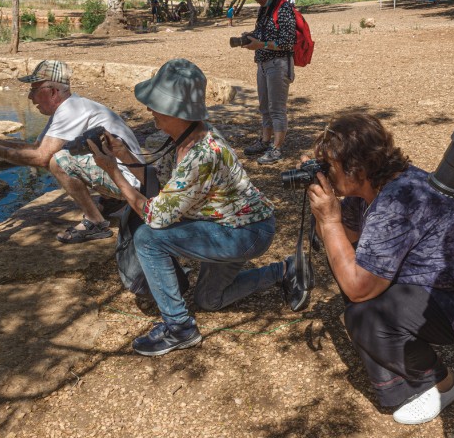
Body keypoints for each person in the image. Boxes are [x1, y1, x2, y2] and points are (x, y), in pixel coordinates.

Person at [87, 59, 311, 356]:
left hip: (244, 233)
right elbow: (160, 180)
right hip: (228, 227)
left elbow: (155, 216)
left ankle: (179, 327)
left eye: (155, 103)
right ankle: (285, 270)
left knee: (148, 239)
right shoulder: (183, 137)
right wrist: (123, 154)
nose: (150, 109)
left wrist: (113, 171)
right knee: (209, 300)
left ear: (175, 111)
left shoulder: (203, 154)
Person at [305, 113, 454, 425]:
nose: (326, 175)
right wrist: (327, 211)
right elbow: (343, 243)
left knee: (365, 314)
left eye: (329, 167)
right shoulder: (375, 184)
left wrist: (329, 218)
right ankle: (395, 361)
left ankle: (443, 384)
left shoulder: (398, 200)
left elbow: (358, 287)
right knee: (351, 271)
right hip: (445, 286)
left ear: (356, 169)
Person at [0, 60, 143, 243]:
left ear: (52, 91)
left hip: (130, 181)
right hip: (132, 176)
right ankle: (112, 199)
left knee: (57, 160)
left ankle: (94, 222)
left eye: (34, 90)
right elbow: (37, 147)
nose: (30, 97)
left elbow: (42, 158)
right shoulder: (69, 108)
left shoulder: (70, 110)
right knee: (59, 155)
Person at [238, 0, 297, 165]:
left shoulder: (284, 9)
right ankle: (265, 141)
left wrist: (261, 45)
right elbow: (262, 32)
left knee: (276, 108)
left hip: (278, 64)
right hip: (263, 64)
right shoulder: (264, 9)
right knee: (264, 107)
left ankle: (277, 148)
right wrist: (249, 36)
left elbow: (288, 42)